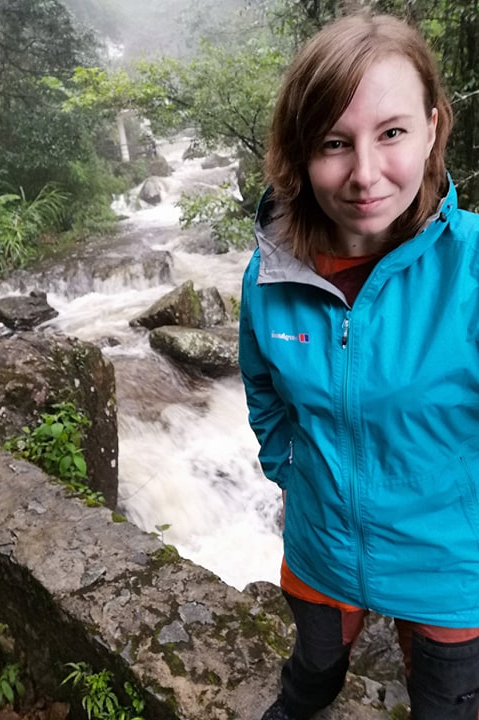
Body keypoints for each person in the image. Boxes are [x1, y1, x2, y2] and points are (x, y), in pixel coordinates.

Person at [238, 12, 479, 720]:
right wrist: (288, 467)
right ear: (301, 152)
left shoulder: (471, 270)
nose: (365, 175)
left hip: (448, 565)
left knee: (447, 706)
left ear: (432, 129)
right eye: (335, 143)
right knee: (312, 673)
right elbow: (262, 385)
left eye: (392, 132)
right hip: (321, 544)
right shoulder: (270, 274)